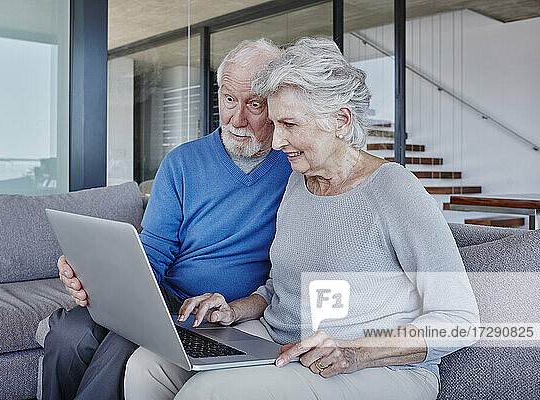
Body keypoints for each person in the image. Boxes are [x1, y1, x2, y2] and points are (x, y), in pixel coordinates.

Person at [138, 37, 479, 400]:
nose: (277, 140)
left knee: (207, 393)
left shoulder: (395, 190)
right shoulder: (298, 183)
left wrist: (355, 351)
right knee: (149, 367)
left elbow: (459, 320)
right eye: (274, 123)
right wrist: (233, 309)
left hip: (375, 367)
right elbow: (279, 289)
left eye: (290, 124)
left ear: (340, 120)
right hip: (281, 343)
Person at [42, 38, 292, 400]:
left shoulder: (294, 170)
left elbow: (286, 270)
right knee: (67, 337)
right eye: (228, 100)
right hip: (161, 294)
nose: (236, 119)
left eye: (253, 104)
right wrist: (98, 277)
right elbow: (155, 249)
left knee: (119, 348)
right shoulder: (182, 162)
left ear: (276, 104)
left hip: (214, 309)